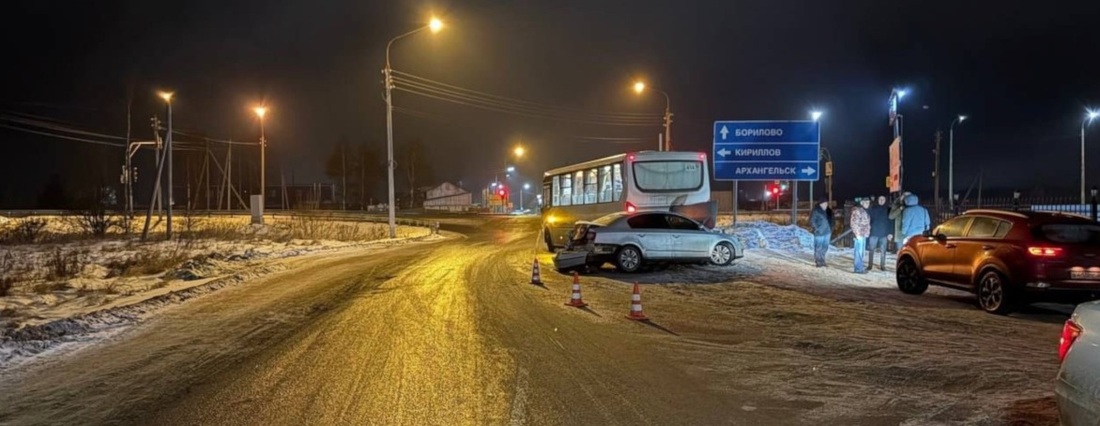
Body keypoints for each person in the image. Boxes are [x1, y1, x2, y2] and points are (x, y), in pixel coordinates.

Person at [867, 195, 893, 271]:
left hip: (884, 233)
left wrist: (890, 233)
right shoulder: (873, 209)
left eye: (883, 199)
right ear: (877, 200)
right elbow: (869, 220)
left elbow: (891, 222)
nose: (881, 200)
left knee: (883, 251)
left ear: (885, 200)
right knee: (871, 249)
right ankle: (870, 265)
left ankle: (882, 266)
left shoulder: (888, 209)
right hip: (874, 232)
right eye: (880, 199)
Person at [850, 198, 871, 274]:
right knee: (858, 252)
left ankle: (860, 267)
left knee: (861, 252)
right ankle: (858, 269)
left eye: (868, 203)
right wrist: (857, 234)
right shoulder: (858, 211)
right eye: (866, 203)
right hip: (859, 235)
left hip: (863, 234)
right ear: (862, 203)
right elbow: (854, 223)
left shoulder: (864, 211)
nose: (867, 204)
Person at [810, 198, 832, 267]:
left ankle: (822, 260)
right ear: (821, 204)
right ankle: (818, 261)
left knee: (825, 247)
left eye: (826, 204)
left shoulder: (828, 211)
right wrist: (816, 229)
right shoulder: (816, 211)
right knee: (818, 247)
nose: (826, 205)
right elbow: (812, 221)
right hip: (819, 232)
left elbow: (832, 219)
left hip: (827, 232)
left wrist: (831, 228)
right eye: (824, 204)